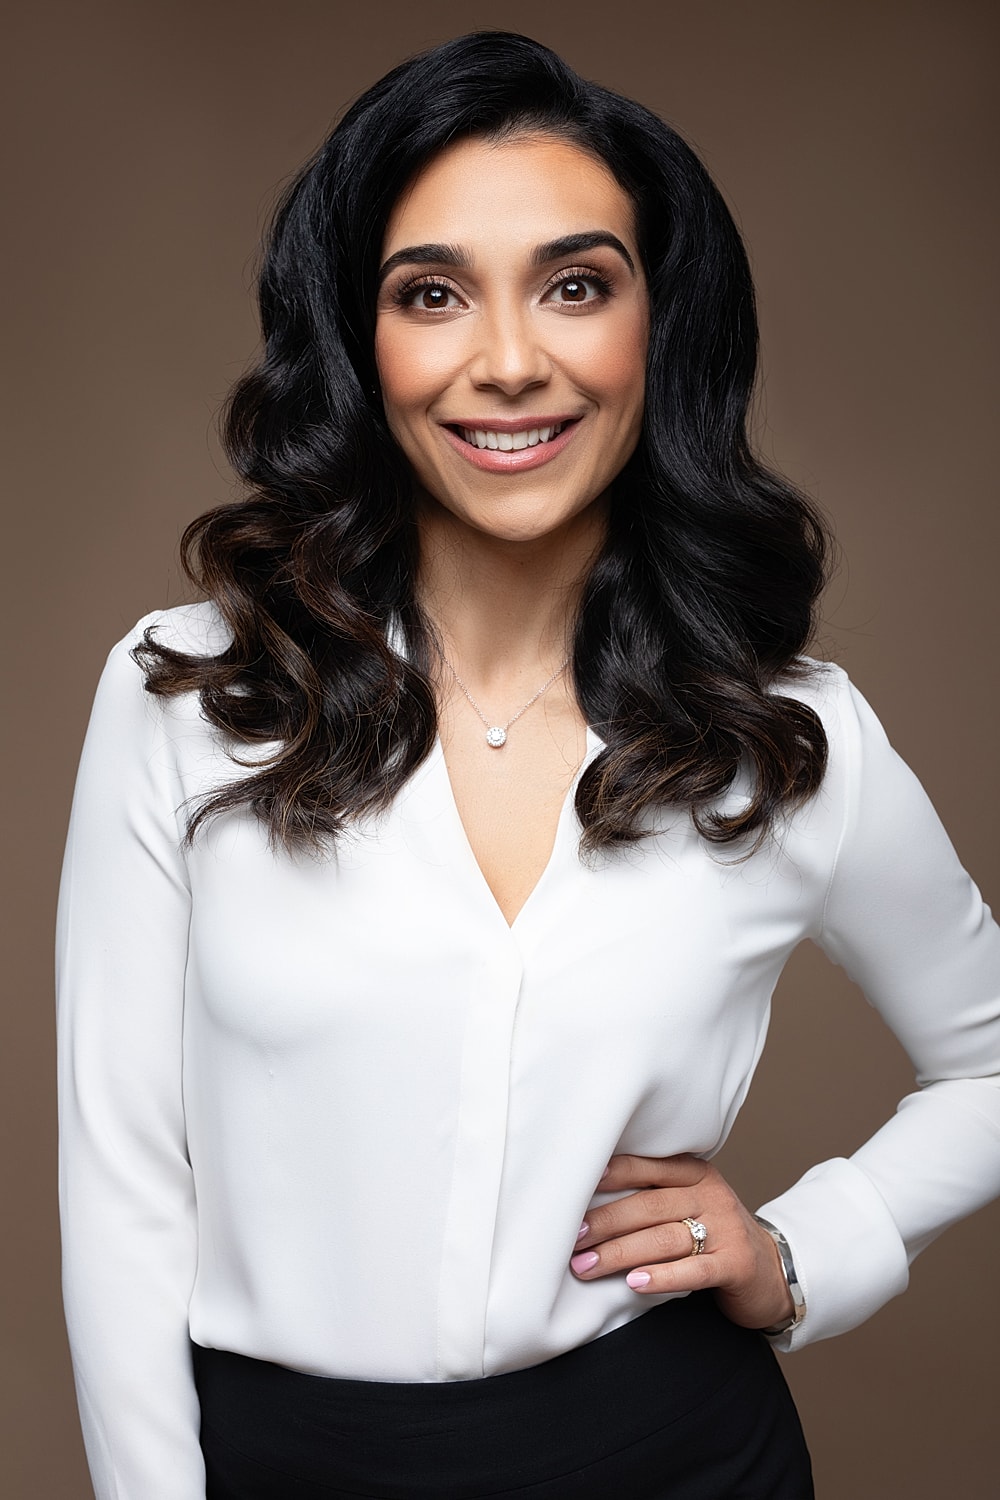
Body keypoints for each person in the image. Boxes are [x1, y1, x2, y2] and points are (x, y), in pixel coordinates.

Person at [56, 29, 1000, 1500]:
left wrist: (806, 1252)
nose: (509, 361)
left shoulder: (788, 733)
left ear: (656, 326)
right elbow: (120, 1190)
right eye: (431, 294)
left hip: (680, 1452)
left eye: (576, 285)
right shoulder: (188, 694)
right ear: (360, 344)